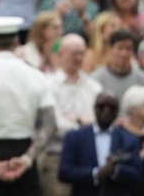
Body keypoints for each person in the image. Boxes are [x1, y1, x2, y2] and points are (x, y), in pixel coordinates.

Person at [0, 16, 56, 196]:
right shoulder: (36, 75)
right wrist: (27, 160)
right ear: (16, 42)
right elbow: (50, 123)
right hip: (23, 150)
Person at [43, 34, 102, 196]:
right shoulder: (48, 85)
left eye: (81, 53)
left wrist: (77, 120)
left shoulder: (93, 86)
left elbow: (104, 122)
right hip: (58, 156)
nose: (78, 58)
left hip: (89, 158)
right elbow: (56, 125)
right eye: (73, 53)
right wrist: (88, 124)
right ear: (60, 55)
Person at [58, 92, 143, 196]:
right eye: (101, 106)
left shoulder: (129, 140)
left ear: (117, 111)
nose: (106, 110)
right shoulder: (75, 137)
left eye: (112, 107)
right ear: (94, 108)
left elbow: (137, 175)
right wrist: (96, 173)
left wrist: (115, 170)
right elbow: (64, 172)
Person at [91, 30, 144, 100]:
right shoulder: (95, 80)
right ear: (109, 49)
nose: (124, 54)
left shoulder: (143, 79)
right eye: (120, 48)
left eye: (128, 49)